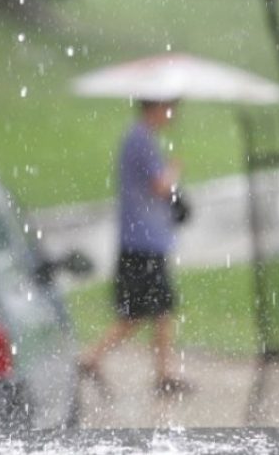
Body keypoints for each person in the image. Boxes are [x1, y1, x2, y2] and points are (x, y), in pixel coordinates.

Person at [78, 98, 192, 397]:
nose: (173, 114)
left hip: (145, 240)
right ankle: (157, 372)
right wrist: (174, 172)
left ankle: (157, 370)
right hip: (144, 242)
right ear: (154, 108)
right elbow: (159, 186)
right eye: (169, 107)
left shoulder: (140, 139)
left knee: (153, 310)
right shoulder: (140, 140)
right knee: (147, 311)